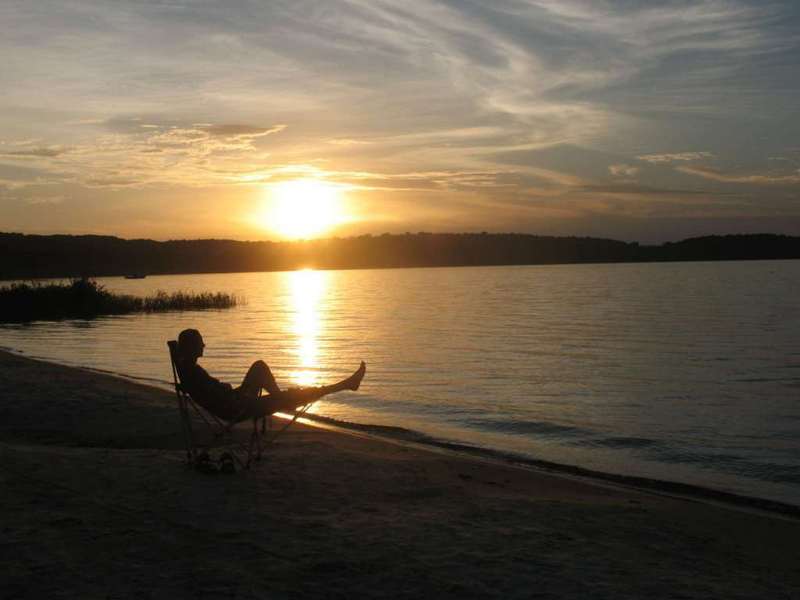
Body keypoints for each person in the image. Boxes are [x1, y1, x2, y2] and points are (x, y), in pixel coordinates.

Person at [175, 328, 366, 421]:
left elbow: (210, 392)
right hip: (238, 407)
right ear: (192, 347)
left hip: (236, 401)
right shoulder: (194, 373)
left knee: (259, 366)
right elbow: (217, 393)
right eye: (200, 342)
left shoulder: (190, 372)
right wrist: (227, 389)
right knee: (296, 393)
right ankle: (345, 384)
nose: (204, 345)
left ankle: (281, 398)